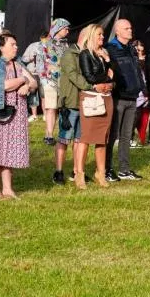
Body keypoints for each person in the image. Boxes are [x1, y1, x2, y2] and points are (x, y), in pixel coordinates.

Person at [0, 34, 35, 199]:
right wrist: (22, 79)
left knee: (9, 151)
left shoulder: (18, 62)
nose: (16, 47)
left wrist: (27, 85)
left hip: (17, 113)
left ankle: (8, 189)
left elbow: (34, 82)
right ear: (1, 47)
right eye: (12, 44)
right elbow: (3, 86)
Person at [104, 19, 146, 182]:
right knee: (113, 134)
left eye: (131, 27)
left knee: (126, 135)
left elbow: (136, 70)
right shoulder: (111, 48)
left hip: (133, 96)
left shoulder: (131, 49)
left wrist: (142, 88)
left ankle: (124, 169)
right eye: (126, 28)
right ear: (117, 31)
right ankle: (107, 168)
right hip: (118, 97)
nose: (130, 30)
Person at [53, 27, 93, 186]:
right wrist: (91, 86)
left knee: (79, 139)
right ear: (84, 38)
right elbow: (73, 75)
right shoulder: (70, 54)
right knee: (64, 138)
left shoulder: (89, 54)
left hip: (84, 102)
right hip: (69, 102)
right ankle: (58, 171)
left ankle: (77, 171)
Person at [77, 24, 115, 188]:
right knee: (86, 138)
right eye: (99, 35)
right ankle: (79, 173)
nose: (102, 38)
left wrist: (107, 61)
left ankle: (101, 173)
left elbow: (114, 74)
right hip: (91, 99)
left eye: (103, 35)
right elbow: (90, 77)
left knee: (102, 139)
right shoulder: (85, 54)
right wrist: (106, 78)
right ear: (92, 36)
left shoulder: (104, 54)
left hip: (106, 97)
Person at [36, 19, 70, 145]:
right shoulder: (44, 44)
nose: (68, 31)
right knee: (51, 107)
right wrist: (44, 79)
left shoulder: (66, 45)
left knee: (61, 107)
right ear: (58, 28)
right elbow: (40, 63)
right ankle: (49, 135)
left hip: (64, 81)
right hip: (50, 80)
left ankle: (63, 133)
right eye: (65, 28)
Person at [22, 31, 48, 122]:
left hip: (44, 74)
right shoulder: (32, 46)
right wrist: (30, 58)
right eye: (44, 39)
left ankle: (45, 115)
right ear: (41, 38)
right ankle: (34, 115)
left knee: (43, 95)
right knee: (32, 95)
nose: (45, 41)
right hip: (32, 74)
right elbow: (23, 59)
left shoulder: (49, 47)